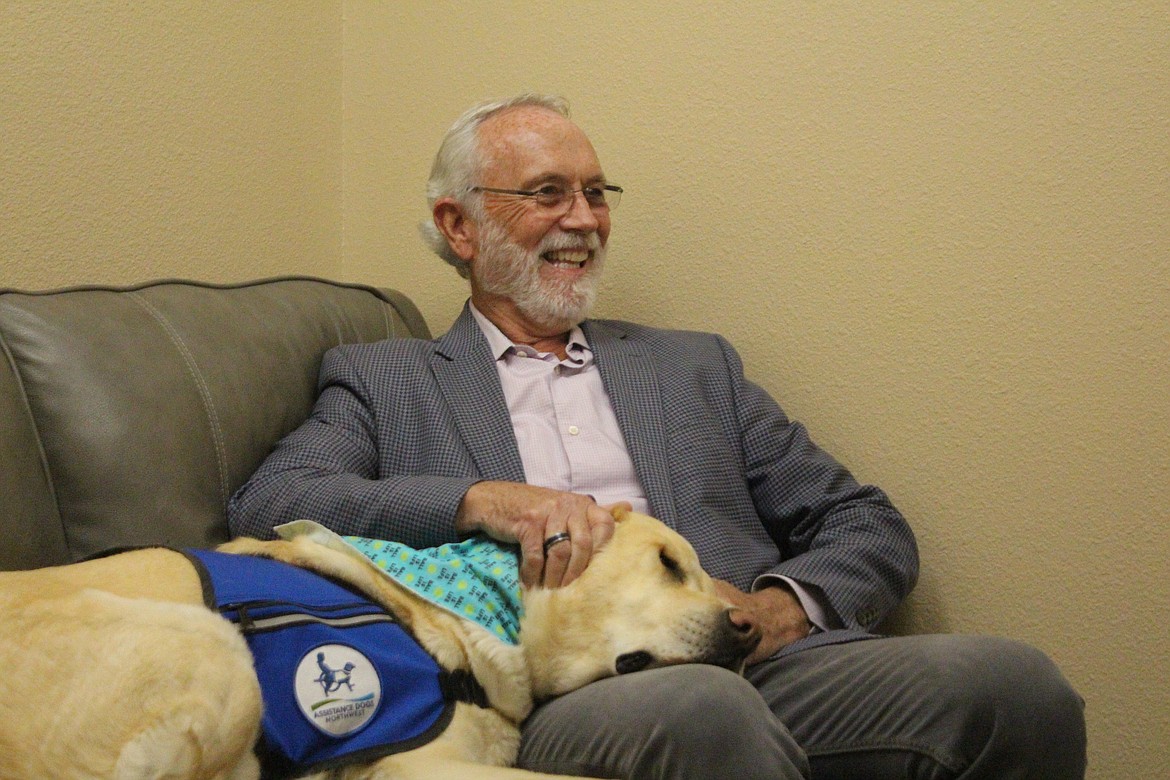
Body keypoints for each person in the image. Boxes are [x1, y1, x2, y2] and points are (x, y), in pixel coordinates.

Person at [228, 93, 1086, 779]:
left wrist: (781, 610)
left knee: (1019, 687)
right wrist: (481, 500)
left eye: (596, 193)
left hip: (760, 664)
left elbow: (866, 522)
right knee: (705, 714)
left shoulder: (692, 368)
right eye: (547, 193)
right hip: (563, 693)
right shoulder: (390, 378)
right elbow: (276, 501)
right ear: (459, 226)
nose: (585, 219)